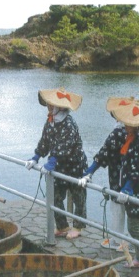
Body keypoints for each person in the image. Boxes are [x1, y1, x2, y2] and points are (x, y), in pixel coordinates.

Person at [81, 97, 139, 277]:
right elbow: (127, 163)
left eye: (127, 123)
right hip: (137, 190)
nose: (123, 126)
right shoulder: (135, 137)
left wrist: (127, 188)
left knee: (135, 228)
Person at [25, 88, 88, 240]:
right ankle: (62, 226)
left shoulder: (69, 123)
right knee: (54, 196)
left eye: (51, 105)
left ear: (60, 107)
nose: (49, 107)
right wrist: (36, 156)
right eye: (48, 105)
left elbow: (65, 146)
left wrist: (52, 160)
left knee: (79, 197)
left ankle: (78, 227)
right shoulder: (50, 121)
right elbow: (45, 141)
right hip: (59, 167)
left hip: (75, 166)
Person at [80, 107, 132, 251]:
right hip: (135, 180)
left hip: (118, 177)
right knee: (135, 214)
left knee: (117, 209)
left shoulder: (117, 133)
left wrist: (90, 171)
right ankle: (131, 242)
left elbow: (104, 153)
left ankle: (118, 240)